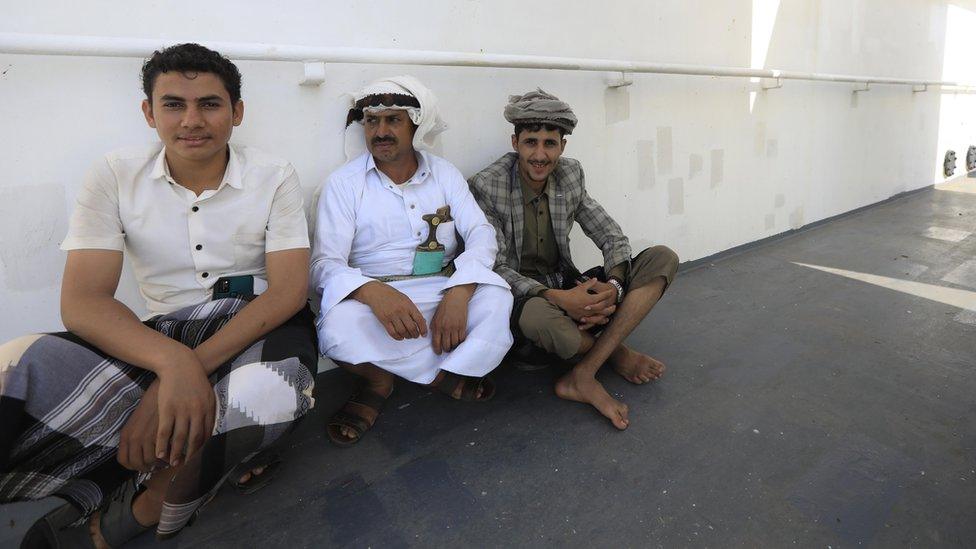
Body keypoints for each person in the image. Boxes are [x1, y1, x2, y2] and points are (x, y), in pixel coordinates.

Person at [0, 43, 316, 545]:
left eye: (209, 104)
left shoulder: (274, 176)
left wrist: (191, 368)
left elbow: (289, 291)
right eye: (173, 104)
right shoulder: (113, 175)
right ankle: (170, 464)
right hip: (163, 332)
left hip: (256, 321)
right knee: (15, 364)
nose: (192, 120)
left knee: (273, 393)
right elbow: (83, 302)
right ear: (149, 112)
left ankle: (141, 509)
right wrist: (173, 364)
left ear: (237, 112)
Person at [311, 76, 513, 446]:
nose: (381, 131)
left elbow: (482, 234)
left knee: (497, 297)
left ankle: (391, 372)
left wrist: (460, 290)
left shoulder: (445, 173)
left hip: (443, 285)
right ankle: (422, 377)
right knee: (336, 329)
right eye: (372, 121)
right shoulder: (343, 184)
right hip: (377, 297)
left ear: (416, 126)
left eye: (393, 120)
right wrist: (372, 292)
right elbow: (325, 263)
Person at [468, 89, 679, 431]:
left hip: (568, 283)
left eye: (549, 144)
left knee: (661, 259)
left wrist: (612, 285)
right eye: (530, 142)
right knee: (540, 318)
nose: (540, 154)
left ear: (562, 147)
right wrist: (559, 299)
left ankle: (583, 373)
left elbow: (611, 236)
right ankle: (616, 353)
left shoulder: (571, 175)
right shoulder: (486, 185)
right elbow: (493, 265)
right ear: (514, 142)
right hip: (525, 298)